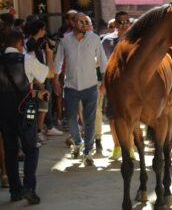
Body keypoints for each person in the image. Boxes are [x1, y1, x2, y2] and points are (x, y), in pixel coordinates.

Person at [0, 29, 54, 204]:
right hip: (25, 112)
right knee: (31, 149)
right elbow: (50, 74)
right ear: (19, 44)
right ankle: (29, 187)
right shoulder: (27, 60)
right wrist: (49, 54)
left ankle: (15, 190)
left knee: (10, 151)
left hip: (3, 113)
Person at [53, 13, 107, 166]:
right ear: (73, 23)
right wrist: (56, 81)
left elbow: (102, 60)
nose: (84, 24)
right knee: (70, 118)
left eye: (86, 22)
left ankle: (88, 151)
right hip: (70, 86)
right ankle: (78, 141)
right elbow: (58, 61)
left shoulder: (94, 38)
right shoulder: (65, 40)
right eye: (81, 22)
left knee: (89, 121)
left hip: (90, 85)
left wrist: (104, 81)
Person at [101, 11, 134, 160]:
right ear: (115, 23)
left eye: (127, 21)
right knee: (113, 117)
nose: (124, 25)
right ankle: (117, 147)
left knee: (131, 117)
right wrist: (103, 82)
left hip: (132, 85)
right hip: (113, 84)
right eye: (121, 22)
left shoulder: (136, 39)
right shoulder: (107, 41)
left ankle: (131, 147)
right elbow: (104, 65)